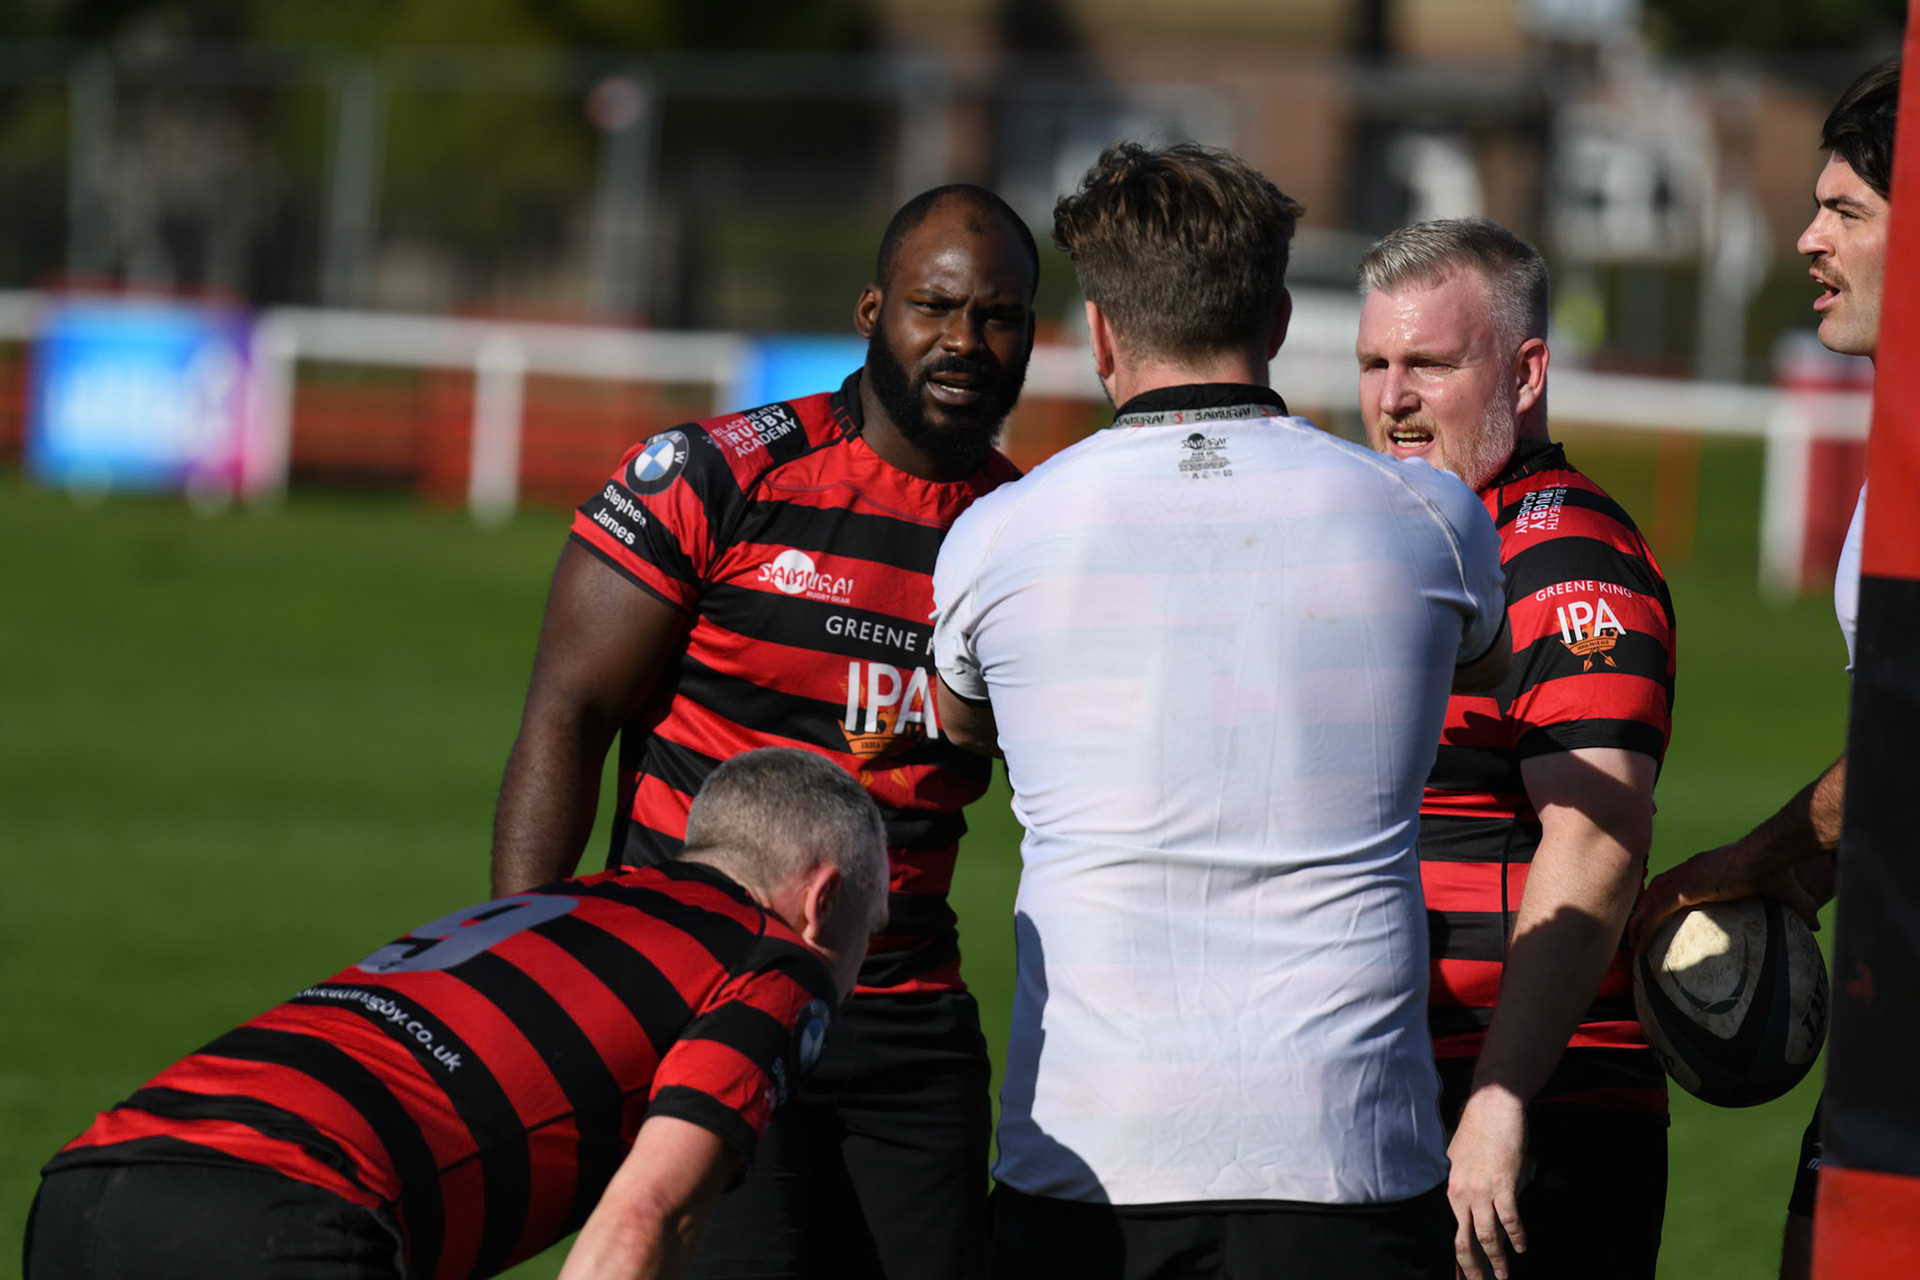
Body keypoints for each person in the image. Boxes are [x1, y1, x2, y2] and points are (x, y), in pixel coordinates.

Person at [931, 141, 1511, 1280]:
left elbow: (961, 731)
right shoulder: (1431, 516)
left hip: (1088, 1161)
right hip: (1350, 1155)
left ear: (1097, 331)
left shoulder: (996, 536)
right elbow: (1481, 666)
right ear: (1283, 318)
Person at [490, 184, 1039, 1278]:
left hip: (907, 1019)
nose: (965, 341)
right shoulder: (721, 475)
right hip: (704, 987)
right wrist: (528, 971)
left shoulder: (1031, 530)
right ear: (873, 310)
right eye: (936, 307)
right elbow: (570, 711)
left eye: (998, 316)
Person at [25, 748, 890, 1280]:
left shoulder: (576, 903)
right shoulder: (776, 962)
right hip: (282, 1211)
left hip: (89, 1186)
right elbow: (650, 1216)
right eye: (870, 927)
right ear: (822, 898)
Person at [1355, 218, 1679, 1280]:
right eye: (1374, 363)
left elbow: (1595, 843)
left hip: (1538, 1113)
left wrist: (1498, 1101)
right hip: (1401, 1094)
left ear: (1526, 371)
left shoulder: (1563, 554)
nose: (1392, 397)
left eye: (1430, 365)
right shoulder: (1402, 543)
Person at [1626, 55, 1899, 1280]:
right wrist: (1823, 871)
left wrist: (1751, 860)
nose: (1807, 238)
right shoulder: (1889, 449)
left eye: (1847, 210)